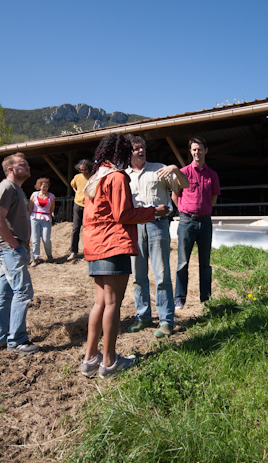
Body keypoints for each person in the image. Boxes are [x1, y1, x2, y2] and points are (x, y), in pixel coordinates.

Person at [79, 134, 167, 379]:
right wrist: (153, 211)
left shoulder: (97, 177)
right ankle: (109, 362)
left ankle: (90, 359)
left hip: (95, 246)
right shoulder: (116, 176)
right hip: (112, 244)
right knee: (113, 304)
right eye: (128, 151)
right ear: (120, 152)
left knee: (99, 303)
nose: (130, 156)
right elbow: (123, 214)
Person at [125, 135, 189, 338]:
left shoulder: (160, 168)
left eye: (142, 147)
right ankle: (143, 316)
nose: (141, 150)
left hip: (157, 226)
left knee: (161, 275)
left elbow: (185, 185)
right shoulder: (124, 175)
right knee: (138, 276)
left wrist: (175, 169)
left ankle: (166, 320)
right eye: (136, 148)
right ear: (129, 152)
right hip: (134, 227)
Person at [0, 152, 40, 355]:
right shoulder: (7, 188)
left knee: (6, 293)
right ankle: (16, 340)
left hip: (11, 248)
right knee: (23, 291)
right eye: (22, 164)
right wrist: (16, 246)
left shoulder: (16, 189)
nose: (28, 167)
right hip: (10, 249)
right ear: (10, 169)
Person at [172, 136, 220, 308]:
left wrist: (203, 209)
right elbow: (174, 196)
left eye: (199, 149)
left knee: (205, 263)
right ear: (190, 152)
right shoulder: (183, 172)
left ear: (206, 150)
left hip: (205, 222)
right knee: (182, 262)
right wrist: (185, 211)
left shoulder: (212, 175)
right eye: (194, 149)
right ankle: (179, 298)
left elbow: (213, 198)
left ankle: (205, 298)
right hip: (187, 222)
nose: (197, 152)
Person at [66, 159, 92, 261]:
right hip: (78, 204)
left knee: (88, 229)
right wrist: (77, 193)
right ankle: (73, 251)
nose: (83, 172)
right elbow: (73, 185)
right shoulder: (77, 177)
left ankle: (88, 252)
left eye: (85, 169)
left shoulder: (93, 177)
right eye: (81, 170)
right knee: (75, 228)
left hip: (89, 205)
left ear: (88, 168)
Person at [29, 177, 55, 265]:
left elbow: (52, 208)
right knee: (35, 239)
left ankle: (49, 255)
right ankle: (35, 258)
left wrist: (49, 214)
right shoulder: (34, 195)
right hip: (35, 217)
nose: (45, 188)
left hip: (46, 218)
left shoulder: (51, 196)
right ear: (39, 186)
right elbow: (30, 207)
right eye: (43, 186)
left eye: (46, 186)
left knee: (46, 238)